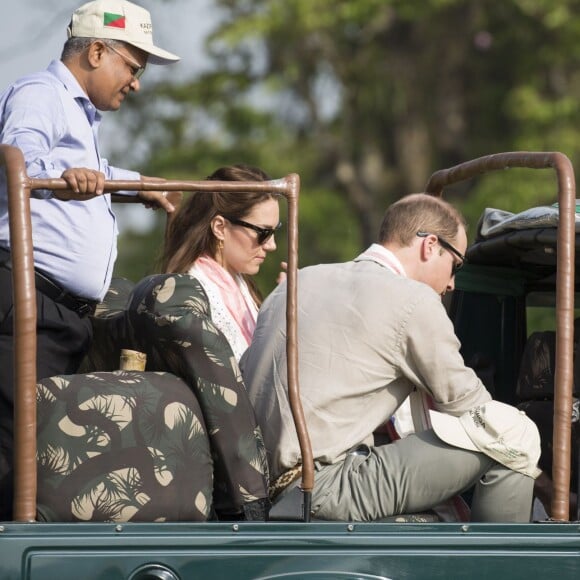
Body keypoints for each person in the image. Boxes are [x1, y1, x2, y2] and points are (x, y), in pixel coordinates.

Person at [241, 193, 542, 522]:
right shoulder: (413, 300)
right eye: (456, 265)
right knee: (515, 432)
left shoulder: (296, 283)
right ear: (429, 246)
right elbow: (477, 411)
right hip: (322, 489)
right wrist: (548, 485)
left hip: (261, 485)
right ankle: (503, 566)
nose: (454, 283)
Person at [0, 0, 179, 520]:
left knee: (34, 456)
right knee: (14, 456)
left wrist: (135, 185)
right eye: (133, 67)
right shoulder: (41, 93)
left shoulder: (78, 113)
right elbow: (22, 155)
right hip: (28, 300)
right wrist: (69, 180)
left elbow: (87, 168)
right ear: (97, 51)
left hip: (59, 314)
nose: (137, 83)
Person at [158, 164, 282, 361]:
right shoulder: (195, 293)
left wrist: (280, 306)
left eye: (275, 231)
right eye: (263, 233)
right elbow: (243, 373)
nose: (271, 245)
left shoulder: (237, 283)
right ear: (220, 227)